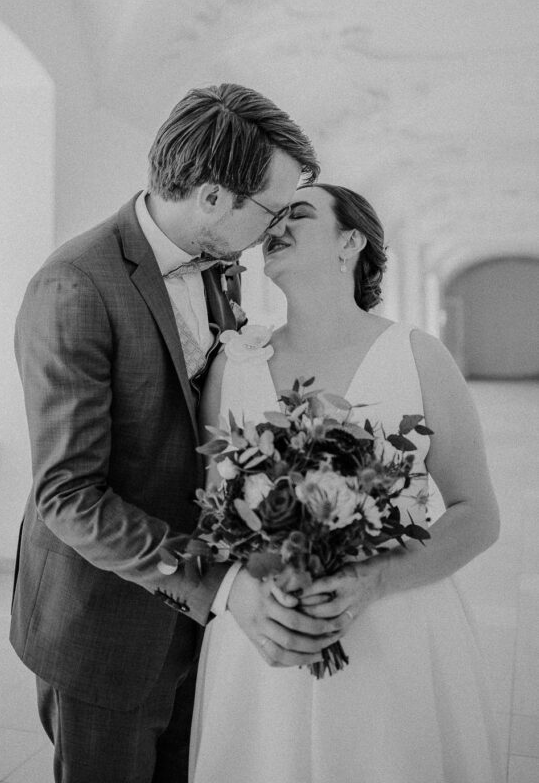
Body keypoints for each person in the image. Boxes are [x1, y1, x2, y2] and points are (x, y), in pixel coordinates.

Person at [10, 83, 332, 783]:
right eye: (272, 210)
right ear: (213, 197)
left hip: (201, 626)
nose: (274, 232)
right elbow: (68, 496)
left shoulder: (223, 268)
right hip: (104, 625)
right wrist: (220, 585)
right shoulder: (75, 286)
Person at [190, 182, 504, 783]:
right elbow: (212, 515)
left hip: (396, 626)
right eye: (273, 216)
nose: (275, 225)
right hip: (268, 628)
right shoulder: (234, 364)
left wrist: (372, 580)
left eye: (298, 215)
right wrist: (261, 586)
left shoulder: (419, 357)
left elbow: (478, 513)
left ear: (351, 241)